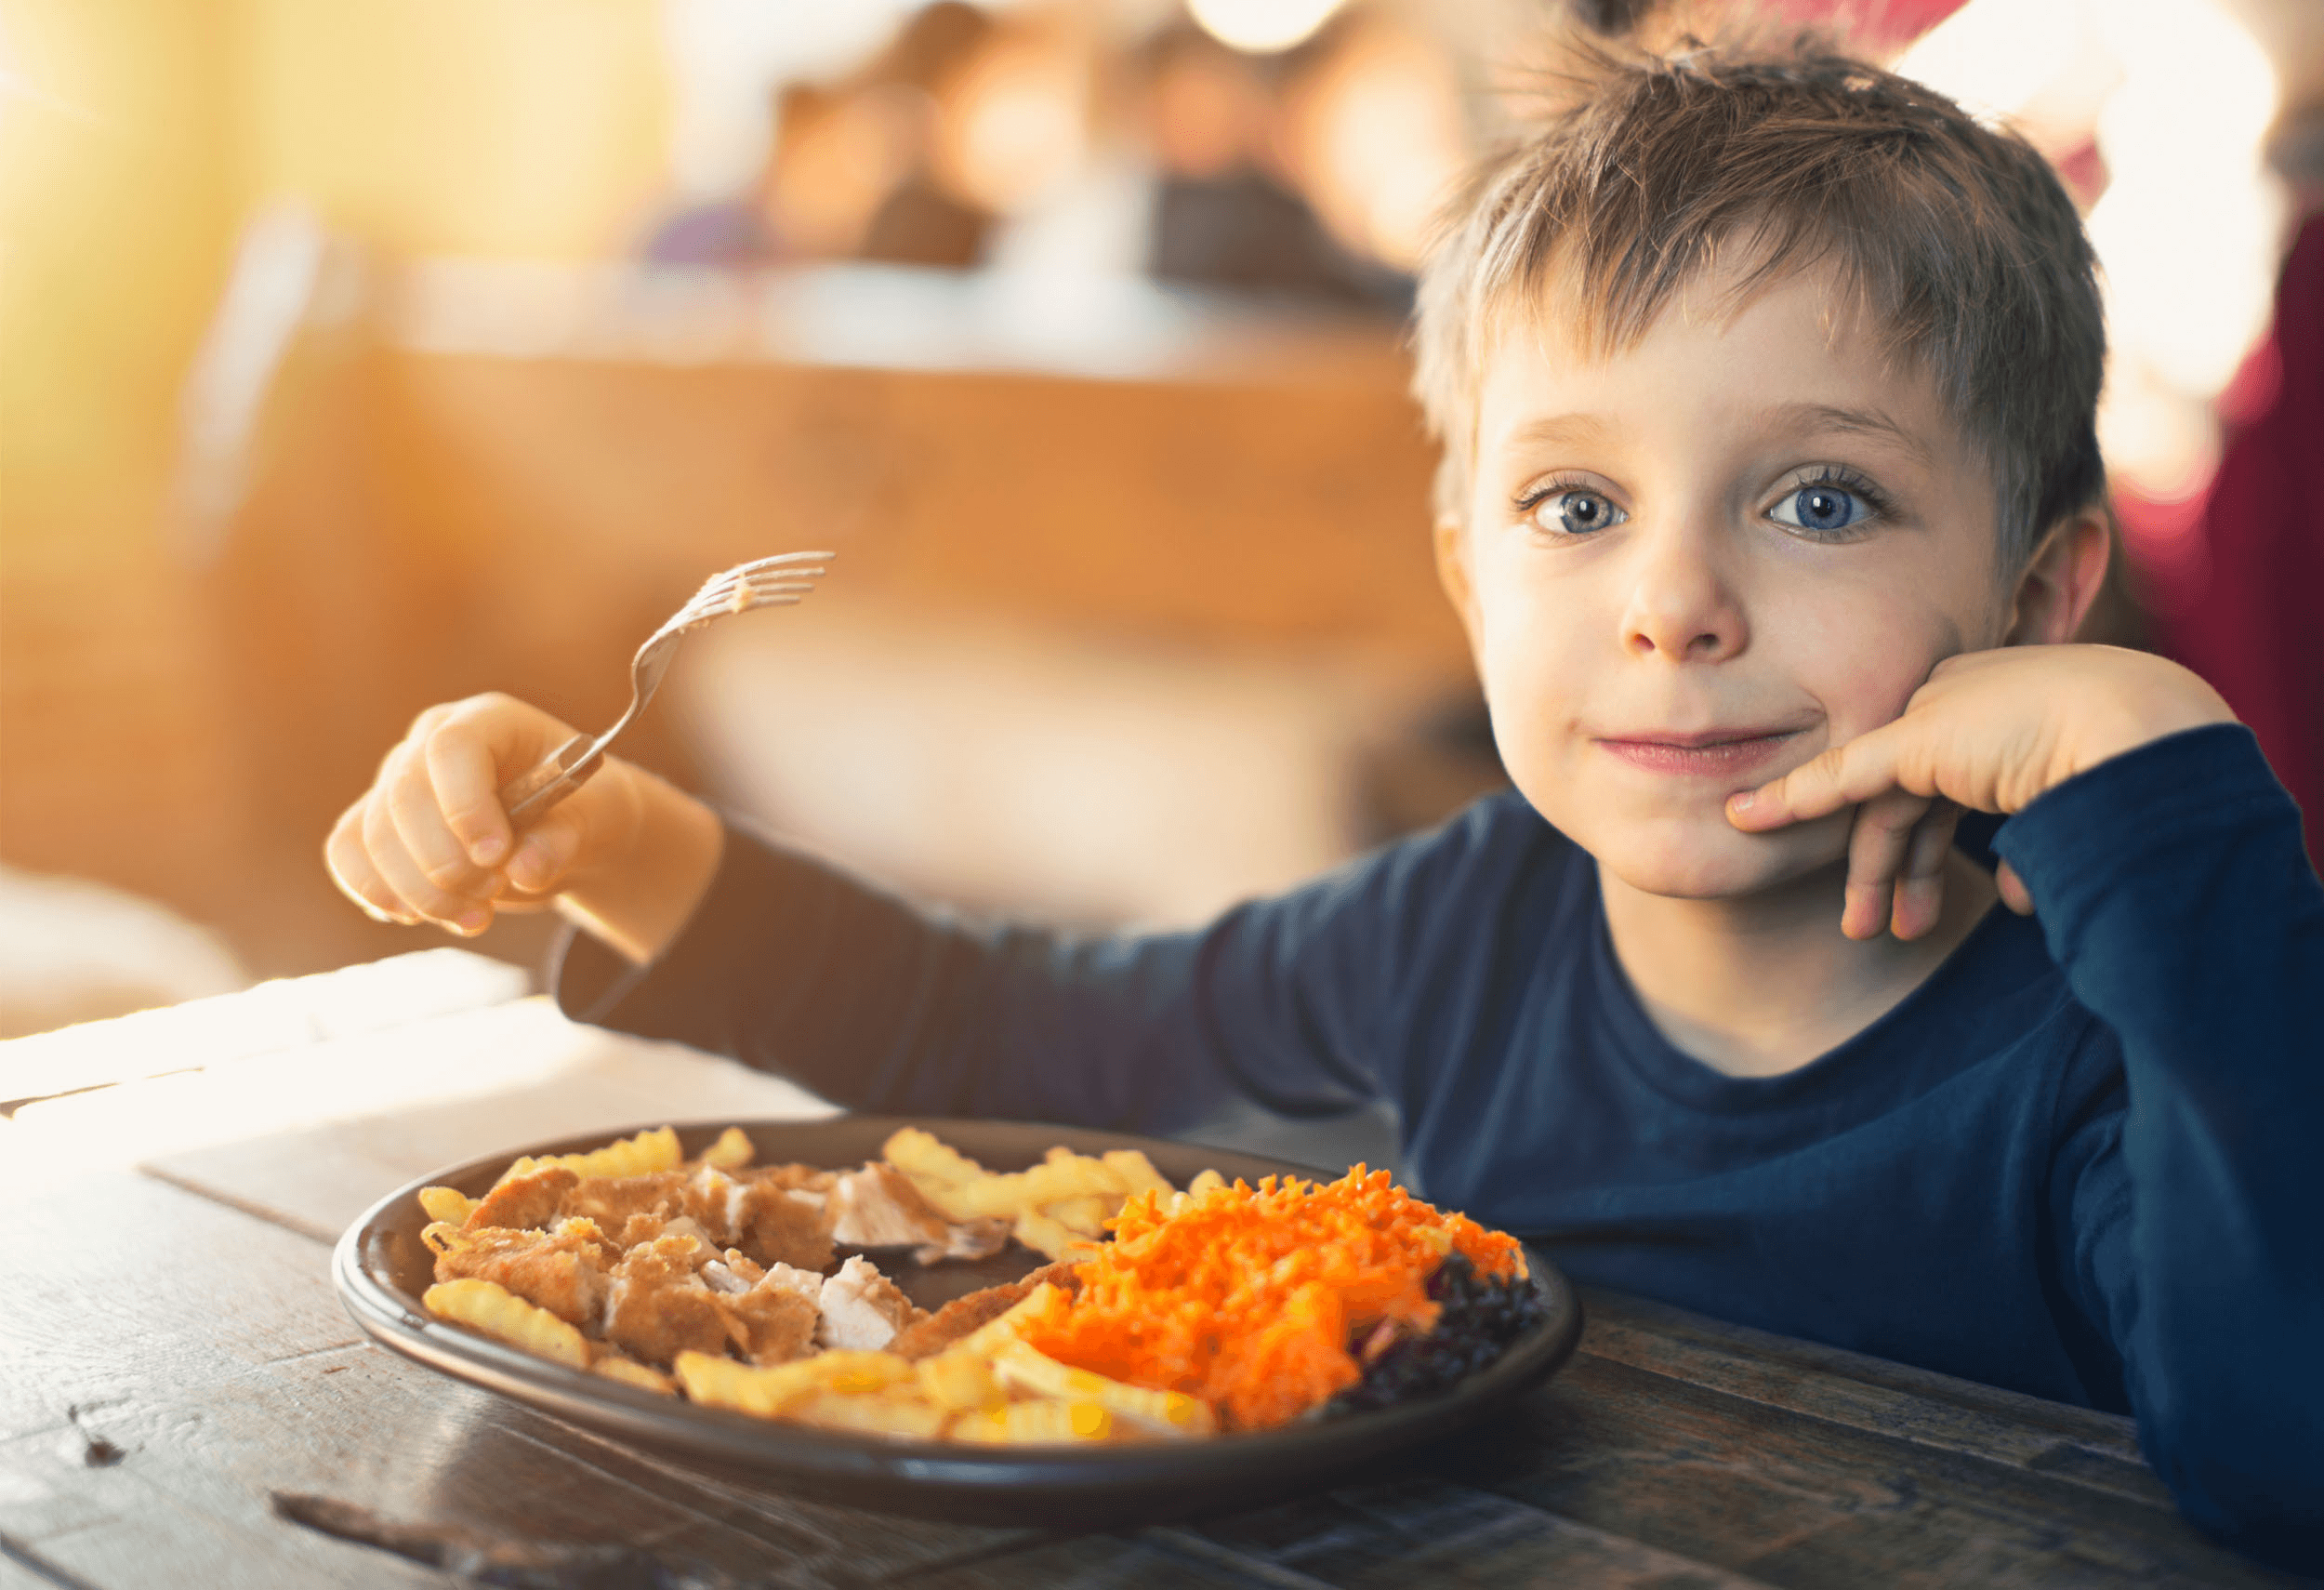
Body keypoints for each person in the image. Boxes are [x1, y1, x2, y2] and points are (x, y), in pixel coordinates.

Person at [324, 33, 2324, 1570]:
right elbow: (1014, 1032)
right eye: (1574, 504)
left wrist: (2158, 790)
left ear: (2037, 598)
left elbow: (2283, 1462)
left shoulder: (2112, 1039)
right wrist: (620, 844)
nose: (1673, 605)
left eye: (1817, 500)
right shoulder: (1466, 916)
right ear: (1467, 572)